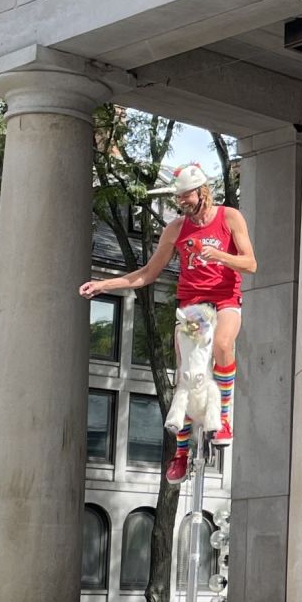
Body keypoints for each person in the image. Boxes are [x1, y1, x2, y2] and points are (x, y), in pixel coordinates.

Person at [79, 162, 257, 483]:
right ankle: (181, 452)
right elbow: (148, 273)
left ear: (202, 192)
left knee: (223, 344)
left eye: (186, 196)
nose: (181, 202)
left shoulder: (229, 217)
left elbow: (250, 263)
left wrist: (217, 255)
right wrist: (104, 285)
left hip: (225, 299)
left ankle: (224, 418)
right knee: (187, 374)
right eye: (178, 197)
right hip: (193, 306)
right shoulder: (175, 229)